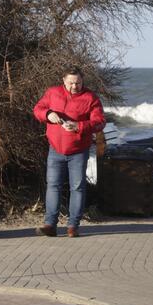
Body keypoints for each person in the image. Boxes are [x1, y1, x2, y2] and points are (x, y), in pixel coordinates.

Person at [33, 66, 106, 237]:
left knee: (77, 188)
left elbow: (100, 121)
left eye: (78, 83)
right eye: (71, 83)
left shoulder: (90, 98)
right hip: (55, 149)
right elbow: (38, 109)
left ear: (83, 81)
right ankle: (50, 225)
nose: (75, 86)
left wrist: (79, 126)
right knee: (53, 186)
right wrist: (48, 113)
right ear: (64, 81)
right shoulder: (52, 93)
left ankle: (73, 226)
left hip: (79, 150)